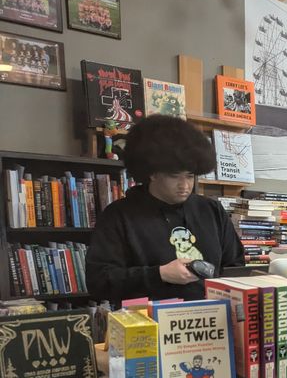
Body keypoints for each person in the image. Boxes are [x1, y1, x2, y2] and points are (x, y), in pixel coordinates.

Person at [85, 115, 244, 305]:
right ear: (152, 173)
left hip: (211, 321)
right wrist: (159, 274)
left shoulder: (211, 210)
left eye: (190, 176)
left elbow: (235, 267)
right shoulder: (119, 216)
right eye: (174, 176)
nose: (185, 185)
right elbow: (98, 282)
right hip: (148, 325)